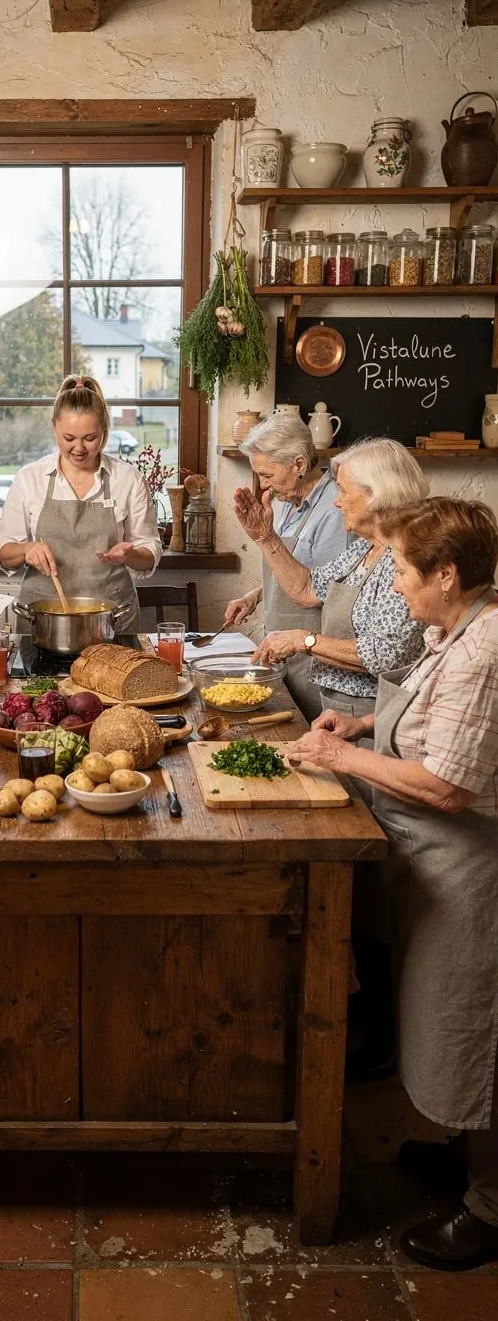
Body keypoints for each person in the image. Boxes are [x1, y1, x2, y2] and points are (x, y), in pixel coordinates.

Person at [288, 498, 498, 1272]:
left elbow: (446, 785)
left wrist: (343, 761)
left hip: (471, 872)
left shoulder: (486, 649)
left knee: (474, 1031)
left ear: (448, 574)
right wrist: (362, 729)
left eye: (404, 571)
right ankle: (461, 1153)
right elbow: (429, 722)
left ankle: (490, 1206)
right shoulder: (457, 628)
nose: (396, 586)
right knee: (441, 1025)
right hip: (432, 867)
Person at [234, 436, 428, 716]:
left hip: (377, 713)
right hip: (339, 707)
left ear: (376, 495)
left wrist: (305, 640)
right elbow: (306, 589)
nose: (337, 503)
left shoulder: (407, 556)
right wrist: (265, 536)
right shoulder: (365, 548)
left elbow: (386, 656)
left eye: (344, 492)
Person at [0, 376, 162, 631]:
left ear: (104, 429)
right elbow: (2, 551)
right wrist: (26, 549)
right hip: (43, 622)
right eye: (69, 438)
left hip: (110, 619)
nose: (79, 448)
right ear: (54, 427)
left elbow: (149, 553)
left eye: (90, 438)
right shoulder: (30, 478)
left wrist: (130, 555)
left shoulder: (128, 479)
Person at [224, 413, 348, 720]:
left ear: (300, 465)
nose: (262, 484)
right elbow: (293, 567)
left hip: (313, 656)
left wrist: (265, 537)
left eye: (267, 475)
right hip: (281, 648)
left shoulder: (335, 510)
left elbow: (321, 590)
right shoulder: (282, 502)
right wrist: (255, 596)